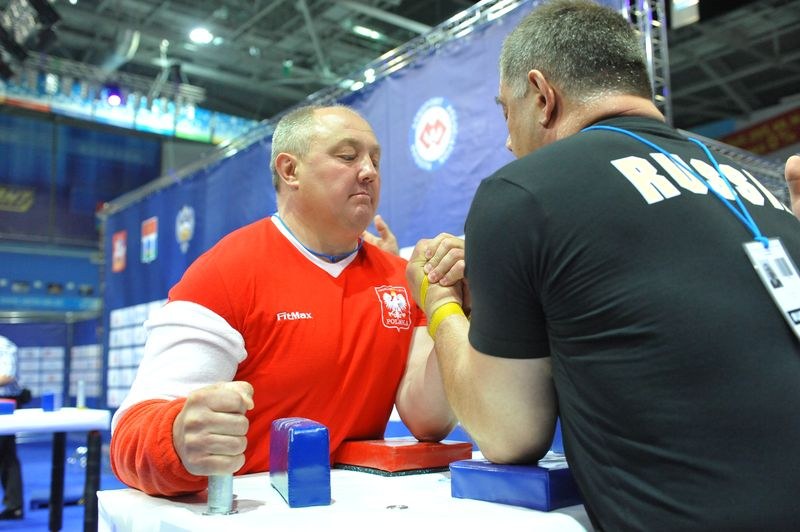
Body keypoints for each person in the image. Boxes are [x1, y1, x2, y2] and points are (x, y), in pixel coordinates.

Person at [405, 1, 800, 530]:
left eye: (506, 111)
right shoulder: (756, 186)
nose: (507, 140)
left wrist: (439, 301)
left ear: (542, 97)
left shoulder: (522, 192)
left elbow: (507, 432)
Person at [109, 105, 455, 497]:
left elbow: (429, 421)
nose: (369, 171)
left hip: (354, 514)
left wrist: (453, 306)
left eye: (375, 159)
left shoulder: (400, 278)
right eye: (347, 156)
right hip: (249, 514)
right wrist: (175, 438)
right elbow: (130, 436)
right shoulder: (226, 274)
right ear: (290, 170)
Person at [0, 335, 24, 520]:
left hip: (4, 404)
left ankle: (14, 506)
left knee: (6, 456)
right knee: (6, 456)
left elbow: (7, 376)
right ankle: (14, 506)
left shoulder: (5, 345)